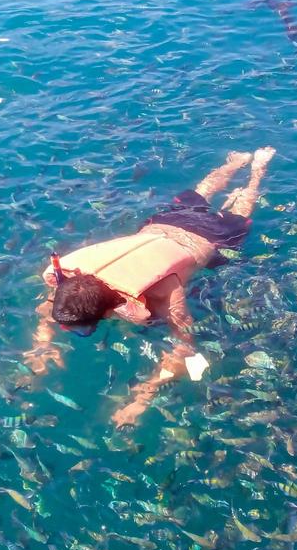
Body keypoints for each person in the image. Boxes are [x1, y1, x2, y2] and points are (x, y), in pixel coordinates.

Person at [24, 146, 276, 426]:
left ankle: (256, 172)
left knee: (239, 214)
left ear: (107, 313)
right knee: (199, 197)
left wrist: (140, 401)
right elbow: (51, 306)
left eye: (84, 330)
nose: (76, 330)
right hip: (167, 222)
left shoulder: (163, 292)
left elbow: (184, 346)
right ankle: (236, 163)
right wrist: (42, 344)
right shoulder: (71, 280)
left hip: (211, 237)